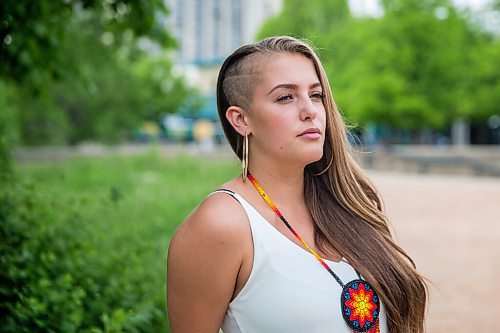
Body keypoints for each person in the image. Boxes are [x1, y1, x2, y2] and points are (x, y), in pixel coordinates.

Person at [167, 36, 427, 333]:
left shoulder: (349, 208)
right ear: (241, 120)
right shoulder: (222, 225)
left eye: (316, 95)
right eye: (285, 97)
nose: (310, 110)